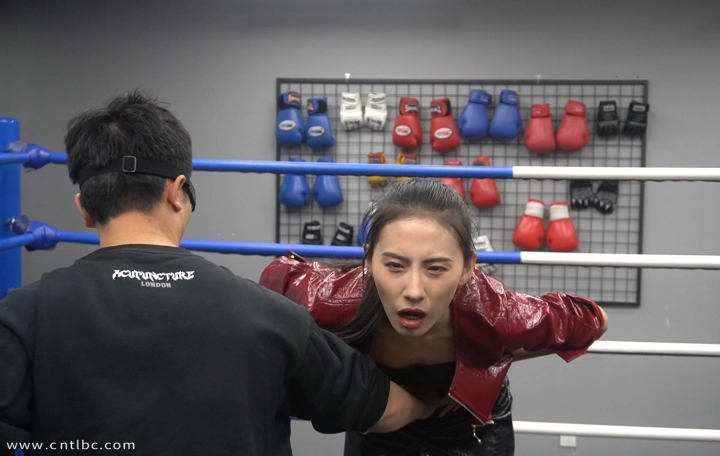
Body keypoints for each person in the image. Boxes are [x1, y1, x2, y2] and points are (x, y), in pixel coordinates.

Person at [0, 92, 438, 456]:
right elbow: (379, 405)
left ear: (84, 209)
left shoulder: (23, 316)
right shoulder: (268, 315)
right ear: (178, 192)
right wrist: (434, 403)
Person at [260, 178, 609, 456]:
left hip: (469, 426)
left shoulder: (496, 312)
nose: (414, 290)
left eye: (436, 268)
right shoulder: (330, 300)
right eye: (394, 265)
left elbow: (592, 319)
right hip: (381, 423)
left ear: (468, 268)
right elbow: (277, 277)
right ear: (369, 260)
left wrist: (493, 359)